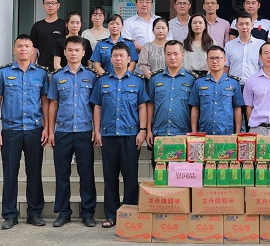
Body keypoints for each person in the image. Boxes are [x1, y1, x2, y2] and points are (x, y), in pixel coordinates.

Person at [0, 34, 49, 230]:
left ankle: (34, 213)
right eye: (20, 46)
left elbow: (45, 102)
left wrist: (47, 128)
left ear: (33, 50)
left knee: (34, 173)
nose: (24, 49)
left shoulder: (41, 74)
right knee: (10, 174)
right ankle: (9, 215)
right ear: (14, 49)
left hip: (34, 129)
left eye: (27, 46)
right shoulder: (3, 73)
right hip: (11, 130)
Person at [91, 43, 148, 229]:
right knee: (110, 177)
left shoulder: (137, 81)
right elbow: (97, 106)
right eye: (115, 55)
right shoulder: (102, 81)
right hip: (108, 135)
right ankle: (111, 215)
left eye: (121, 55)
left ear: (129, 59)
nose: (118, 59)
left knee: (130, 177)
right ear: (111, 58)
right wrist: (97, 131)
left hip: (130, 135)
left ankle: (129, 213)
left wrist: (142, 130)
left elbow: (142, 106)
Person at [47, 36, 97, 228]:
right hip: (63, 131)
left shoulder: (91, 77)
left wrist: (96, 129)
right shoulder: (57, 77)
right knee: (62, 173)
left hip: (85, 130)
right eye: (70, 50)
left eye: (77, 50)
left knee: (86, 173)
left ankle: (88, 212)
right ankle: (63, 212)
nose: (73, 53)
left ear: (83, 53)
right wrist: (50, 131)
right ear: (65, 53)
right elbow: (53, 104)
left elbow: (96, 106)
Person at [146, 40, 195, 142]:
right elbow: (150, 105)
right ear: (164, 55)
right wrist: (148, 130)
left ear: (182, 55)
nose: (172, 57)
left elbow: (195, 108)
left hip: (183, 133)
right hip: (159, 132)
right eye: (168, 54)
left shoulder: (191, 79)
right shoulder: (155, 78)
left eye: (176, 54)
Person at [189, 45, 244, 135]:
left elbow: (237, 108)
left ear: (225, 60)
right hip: (205, 133)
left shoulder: (233, 83)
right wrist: (194, 132)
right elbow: (195, 108)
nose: (214, 61)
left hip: (227, 133)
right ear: (207, 61)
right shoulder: (199, 82)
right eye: (211, 58)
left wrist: (238, 132)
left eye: (218, 58)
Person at [224, 12, 264, 86]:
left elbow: (264, 67)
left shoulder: (261, 44)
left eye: (247, 24)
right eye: (241, 24)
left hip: (254, 86)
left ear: (252, 26)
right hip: (233, 86)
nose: (244, 27)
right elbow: (226, 67)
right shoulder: (229, 45)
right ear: (236, 26)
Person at [30, 0, 65, 72]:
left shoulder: (65, 25)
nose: (50, 6)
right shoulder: (37, 26)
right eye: (47, 3)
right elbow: (34, 48)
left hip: (62, 69)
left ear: (58, 5)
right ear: (43, 6)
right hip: (42, 68)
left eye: (53, 3)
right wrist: (31, 67)